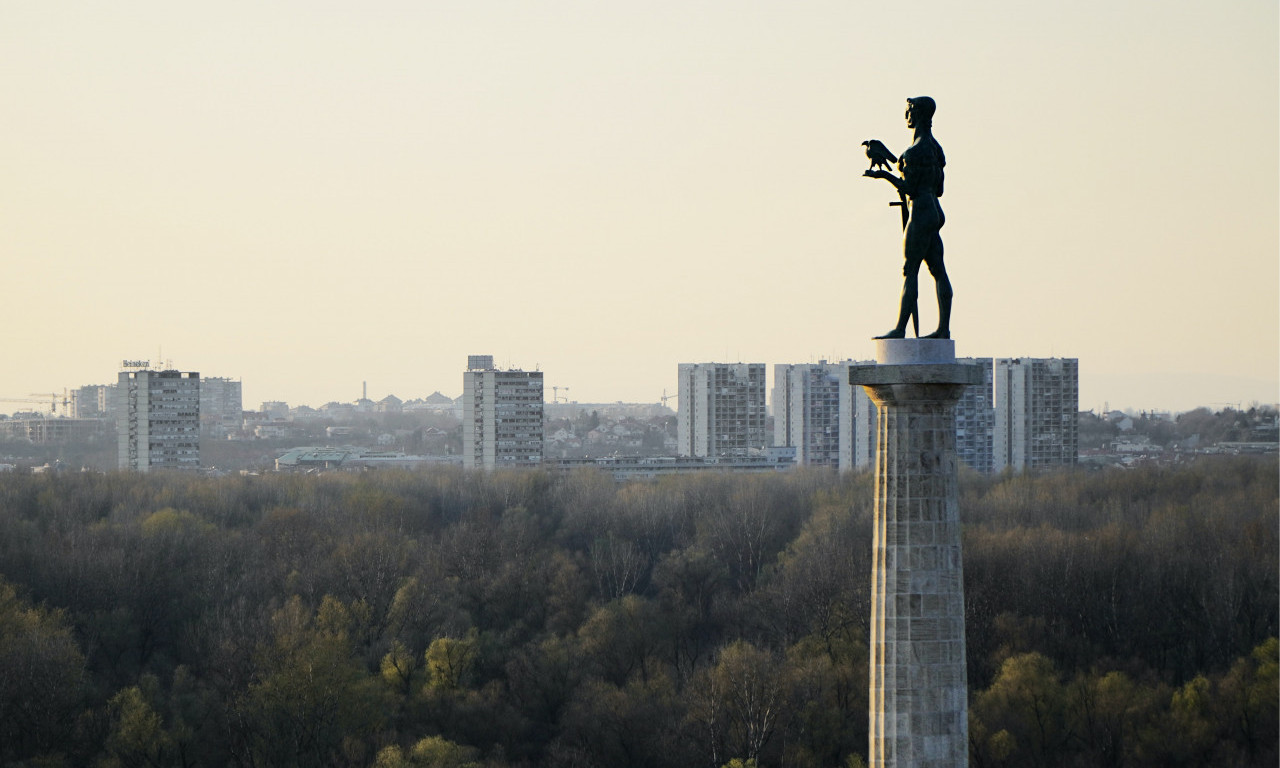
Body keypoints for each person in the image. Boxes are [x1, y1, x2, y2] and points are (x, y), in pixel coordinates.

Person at [864, 96, 952, 339]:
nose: (906, 117)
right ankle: (943, 328)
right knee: (938, 270)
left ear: (920, 114)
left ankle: (900, 329)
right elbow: (940, 190)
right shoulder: (936, 149)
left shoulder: (915, 152)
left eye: (909, 111)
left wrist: (884, 178)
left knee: (910, 269)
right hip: (934, 209)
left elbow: (910, 188)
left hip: (921, 210)